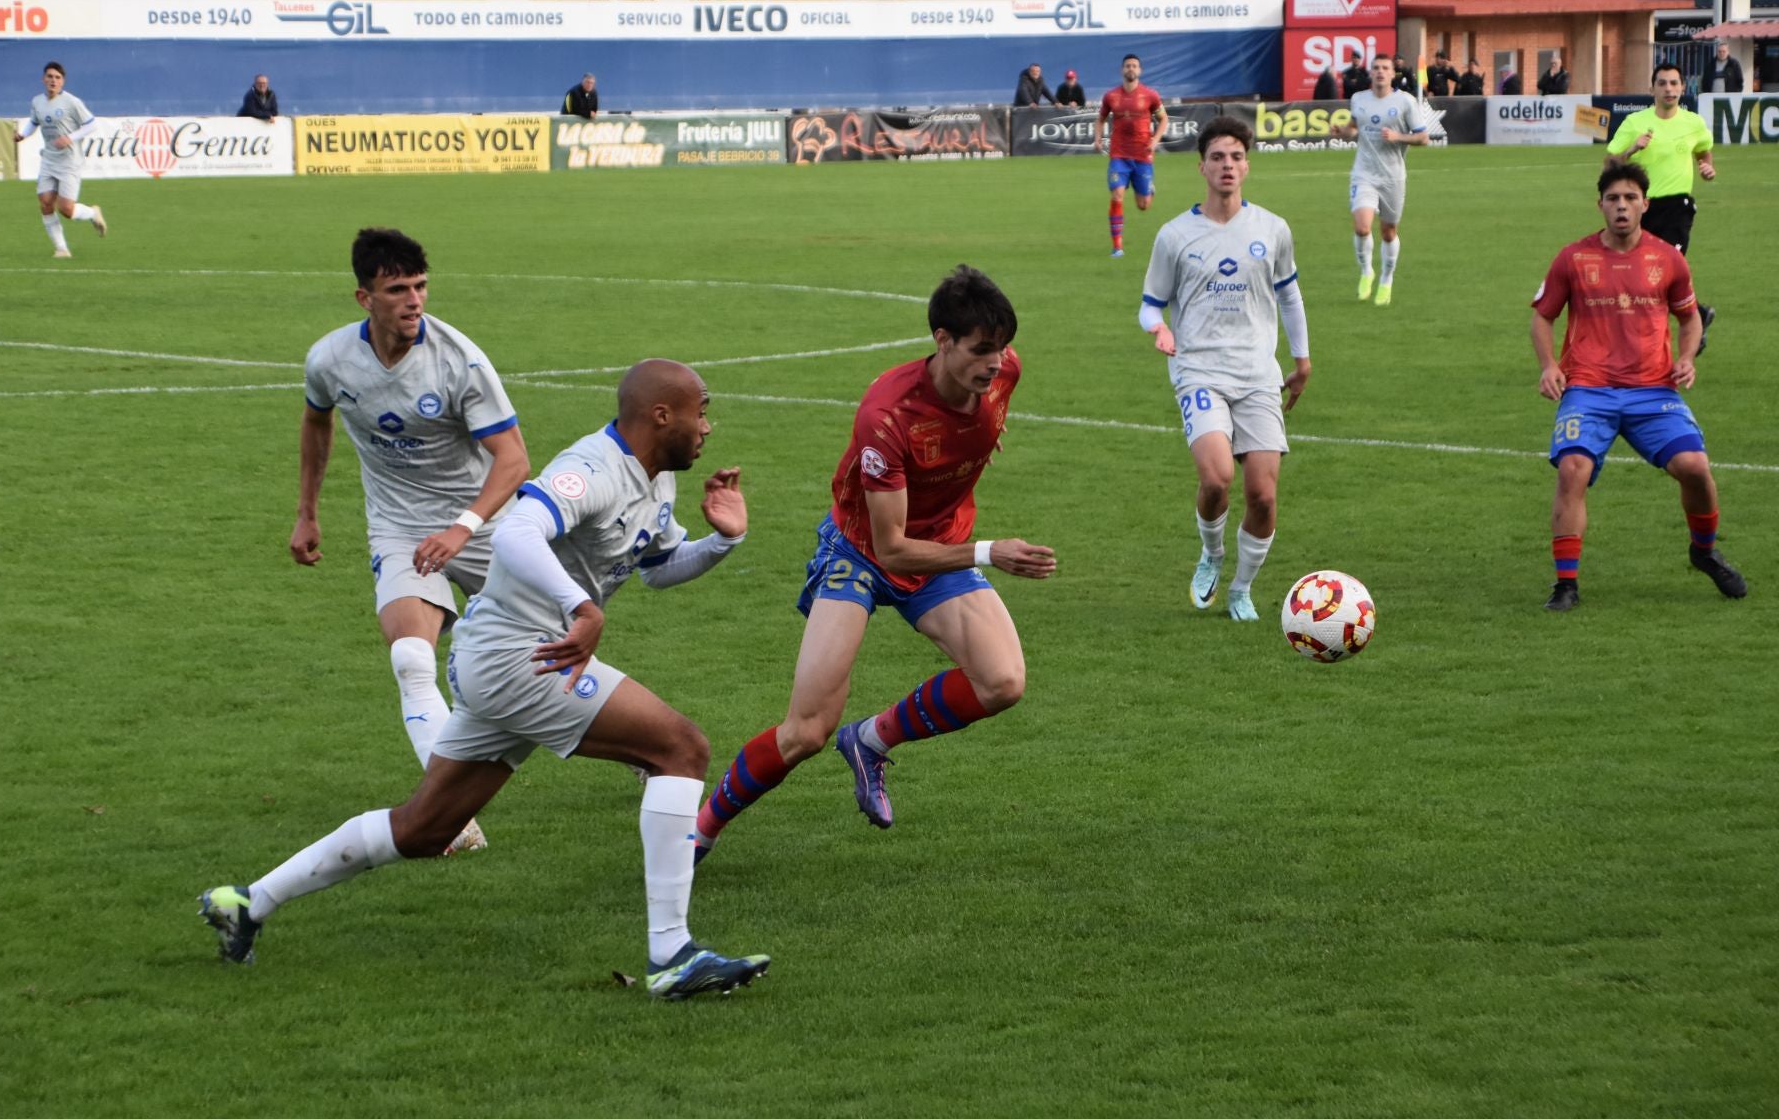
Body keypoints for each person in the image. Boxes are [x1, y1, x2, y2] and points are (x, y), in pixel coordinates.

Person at [202, 360, 772, 1000]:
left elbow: (659, 568)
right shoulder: (592, 468)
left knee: (423, 829)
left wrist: (725, 541)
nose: (708, 425)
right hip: (519, 657)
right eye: (701, 410)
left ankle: (246, 903)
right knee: (681, 748)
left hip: (507, 660)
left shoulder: (656, 480)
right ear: (661, 415)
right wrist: (579, 608)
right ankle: (672, 954)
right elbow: (518, 534)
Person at [694, 266, 1055, 858]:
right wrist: (992, 553)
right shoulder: (888, 417)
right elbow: (891, 548)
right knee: (807, 731)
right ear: (942, 340)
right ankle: (699, 829)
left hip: (938, 545)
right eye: (980, 350)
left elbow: (975, 429)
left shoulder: (1003, 374)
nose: (995, 364)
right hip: (862, 553)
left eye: (1002, 348)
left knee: (1003, 681)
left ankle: (870, 740)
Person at [292, 227, 533, 856]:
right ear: (362, 298)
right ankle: (450, 816)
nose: (413, 300)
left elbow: (513, 461)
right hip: (399, 527)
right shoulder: (330, 360)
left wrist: (463, 528)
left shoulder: (459, 360)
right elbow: (316, 422)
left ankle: (642, 751)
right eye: (397, 288)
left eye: (420, 286)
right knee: (409, 659)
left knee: (557, 648)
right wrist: (307, 513)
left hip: (482, 521)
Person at [1529, 162, 1745, 611]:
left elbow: (1688, 317)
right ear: (1601, 206)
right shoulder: (1574, 258)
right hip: (1588, 389)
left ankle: (1703, 553)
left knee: (1696, 468)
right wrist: (1549, 365)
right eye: (1613, 199)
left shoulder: (1668, 258)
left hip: (1654, 391)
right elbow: (1542, 315)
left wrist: (1686, 358)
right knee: (1573, 470)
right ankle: (1565, 584)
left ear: (1645, 204)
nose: (1622, 206)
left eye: (1630, 198)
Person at [1140, 115, 1310, 622]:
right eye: (1218, 157)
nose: (1227, 166)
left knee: (1262, 494)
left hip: (1258, 374)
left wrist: (1302, 360)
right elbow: (1150, 303)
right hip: (1198, 370)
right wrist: (1159, 329)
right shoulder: (1175, 235)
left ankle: (1241, 588)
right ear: (1201, 167)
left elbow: (1291, 296)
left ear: (1248, 165)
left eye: (1236, 157)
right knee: (1216, 480)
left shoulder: (1272, 229)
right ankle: (1211, 555)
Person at [1605, 61, 1718, 349]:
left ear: (1682, 88)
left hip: (1678, 209)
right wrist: (1632, 149)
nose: (1669, 89)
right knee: (1641, 275)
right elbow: (1610, 164)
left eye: (1674, 83)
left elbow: (1704, 152)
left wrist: (1706, 169)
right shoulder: (1634, 123)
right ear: (1652, 89)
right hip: (1641, 208)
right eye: (1663, 83)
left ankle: (1662, 333)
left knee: (1664, 271)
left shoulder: (1693, 123)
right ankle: (1697, 314)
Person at [1327, 54, 1431, 306]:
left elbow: (1423, 138)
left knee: (1388, 232)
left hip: (1393, 177)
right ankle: (1366, 272)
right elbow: (1355, 128)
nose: (1380, 72)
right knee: (1362, 227)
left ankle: (1386, 278)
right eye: (1376, 68)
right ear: (1370, 73)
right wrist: (1343, 131)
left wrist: (1398, 137)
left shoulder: (1405, 102)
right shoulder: (1359, 99)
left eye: (1385, 68)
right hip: (1364, 173)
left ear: (1393, 73)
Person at [13, 62, 106, 259]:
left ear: (62, 81)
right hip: (49, 159)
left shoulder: (72, 102)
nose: (53, 81)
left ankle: (92, 213)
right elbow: (33, 122)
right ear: (43, 79)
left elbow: (92, 124)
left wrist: (70, 138)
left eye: (57, 78)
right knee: (45, 202)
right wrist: (23, 135)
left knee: (66, 209)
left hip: (70, 161)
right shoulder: (37, 101)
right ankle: (62, 249)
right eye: (49, 77)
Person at [1094, 53, 1168, 258]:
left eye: (1134, 66)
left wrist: (1155, 140)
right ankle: (1117, 246)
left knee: (1143, 205)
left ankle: (1149, 188)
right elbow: (1100, 119)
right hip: (1119, 155)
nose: (1131, 69)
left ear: (1140, 71)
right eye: (1127, 66)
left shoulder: (1150, 95)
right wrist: (1098, 138)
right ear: (1122, 70)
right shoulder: (1111, 96)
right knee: (1117, 195)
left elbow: (1163, 119)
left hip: (1143, 155)